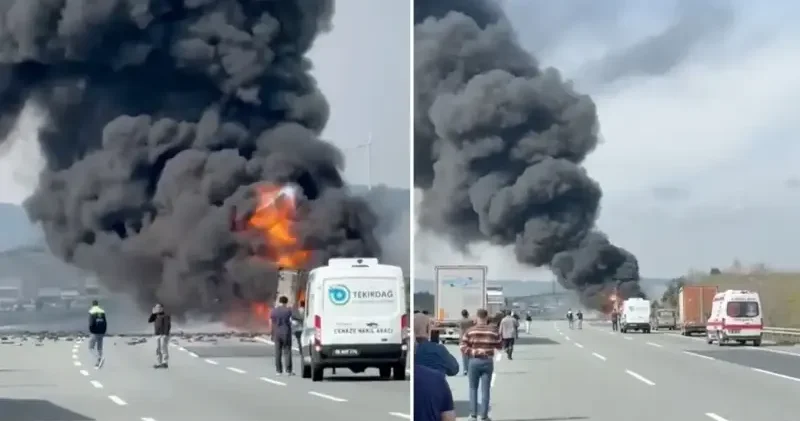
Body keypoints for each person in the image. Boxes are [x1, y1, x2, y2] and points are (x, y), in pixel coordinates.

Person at [460, 308, 502, 421]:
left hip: (474, 361)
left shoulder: (470, 330)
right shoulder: (493, 331)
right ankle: (484, 416)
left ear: (477, 317)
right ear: (487, 317)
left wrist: (474, 351)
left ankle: (473, 415)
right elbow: (499, 345)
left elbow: (463, 346)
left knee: (473, 388)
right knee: (486, 389)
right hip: (487, 361)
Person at [270, 295, 294, 375]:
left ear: (279, 302)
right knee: (287, 351)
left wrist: (272, 332)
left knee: (278, 352)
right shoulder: (289, 311)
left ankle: (278, 371)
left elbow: (271, 322)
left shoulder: (274, 311)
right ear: (286, 302)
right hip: (286, 332)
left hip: (277, 333)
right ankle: (288, 370)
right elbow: (292, 321)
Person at [147, 303, 171, 369]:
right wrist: (153, 313)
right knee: (158, 349)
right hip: (157, 334)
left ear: (162, 308)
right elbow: (149, 321)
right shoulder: (155, 316)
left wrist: (166, 334)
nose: (158, 308)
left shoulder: (166, 316)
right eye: (157, 307)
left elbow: (167, 325)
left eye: (159, 307)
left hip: (164, 335)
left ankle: (165, 362)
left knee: (164, 349)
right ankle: (159, 362)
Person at [87, 300, 107, 369]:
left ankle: (99, 358)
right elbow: (105, 322)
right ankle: (98, 363)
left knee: (91, 347)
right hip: (102, 332)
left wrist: (91, 331)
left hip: (95, 332)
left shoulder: (91, 311)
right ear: (98, 304)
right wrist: (104, 331)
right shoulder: (102, 311)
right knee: (99, 347)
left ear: (92, 304)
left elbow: (91, 323)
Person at [458, 309, 475, 375]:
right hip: (470, 338)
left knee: (464, 355)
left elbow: (460, 328)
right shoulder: (470, 321)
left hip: (463, 338)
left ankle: (465, 369)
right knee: (470, 355)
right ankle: (470, 368)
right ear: (467, 314)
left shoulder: (460, 321)